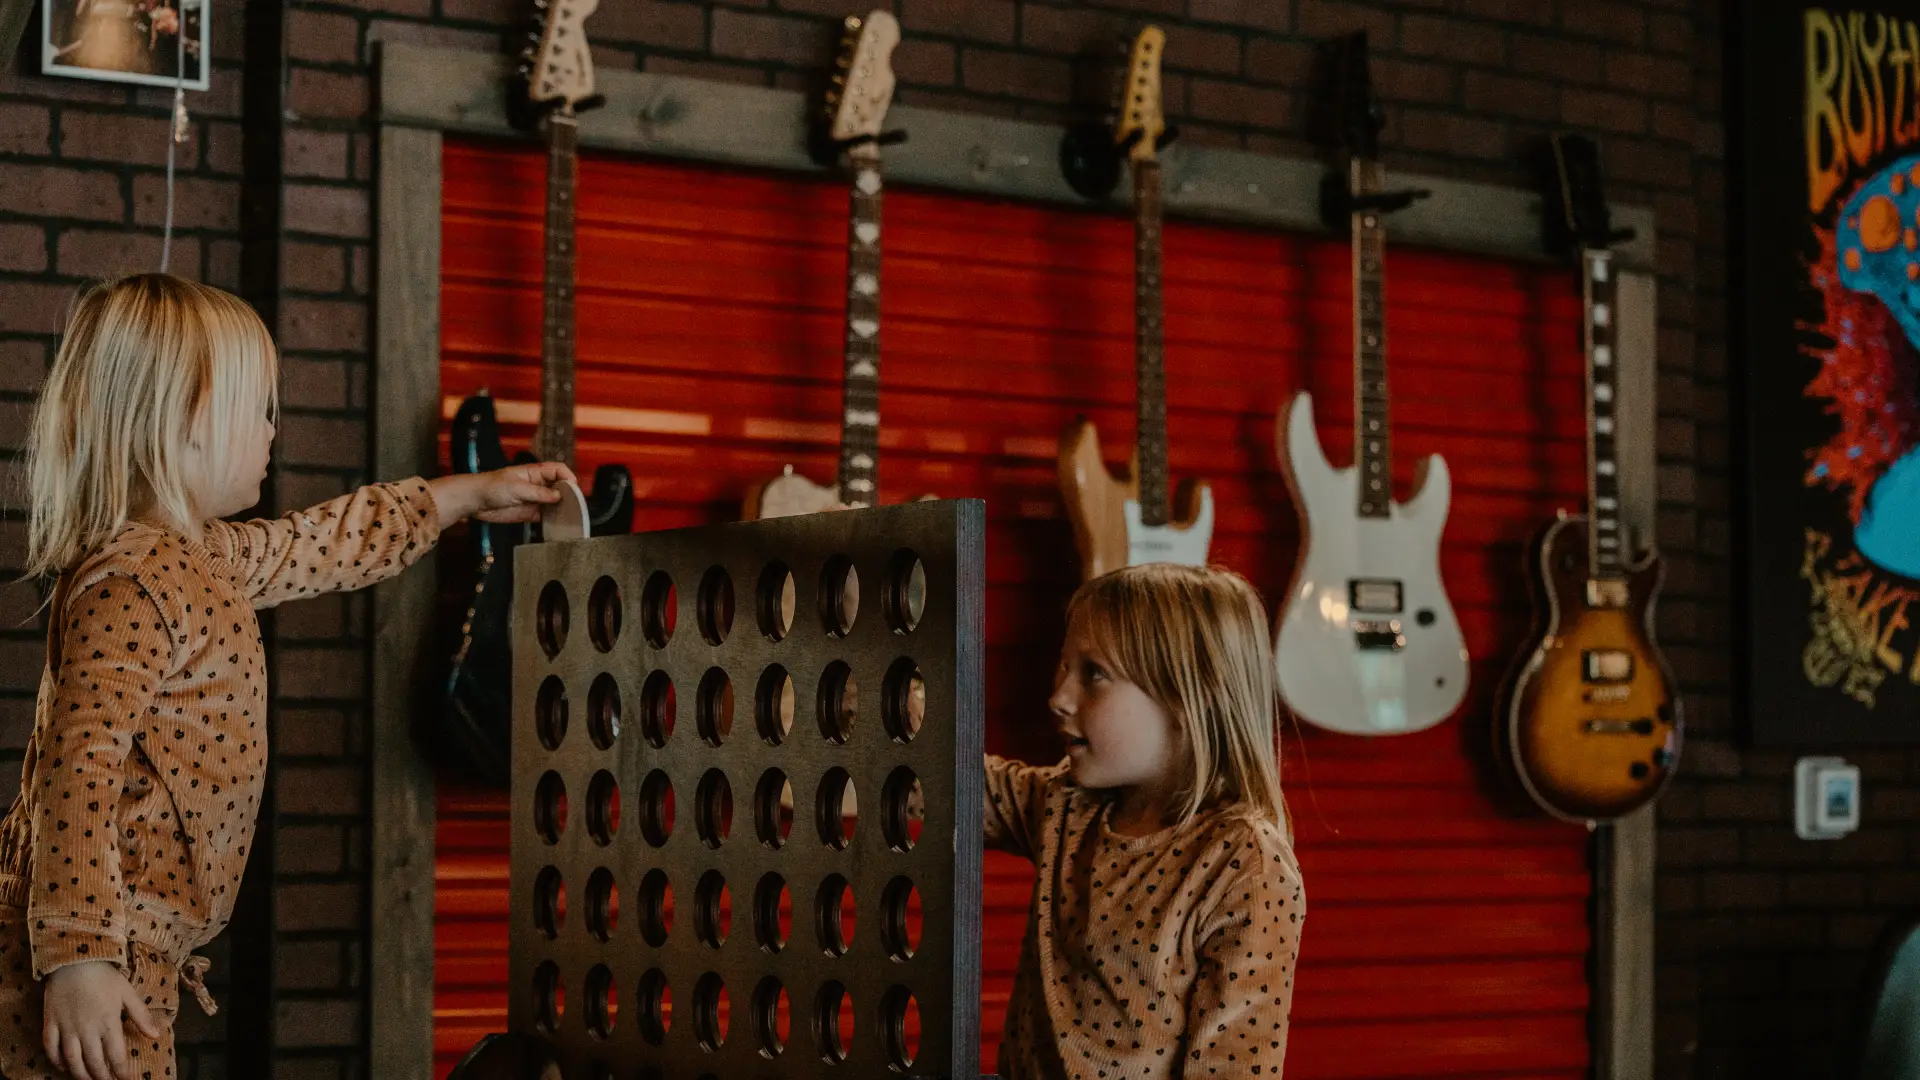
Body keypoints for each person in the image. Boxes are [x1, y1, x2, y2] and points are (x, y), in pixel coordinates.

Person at [0, 273, 575, 1080]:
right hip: (93, 958)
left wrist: (471, 496)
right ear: (186, 421)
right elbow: (75, 767)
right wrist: (78, 958)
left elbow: (322, 543)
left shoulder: (205, 558)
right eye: (259, 407)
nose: (274, 429)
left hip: (140, 956)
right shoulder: (131, 579)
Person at [986, 563, 1304, 1079]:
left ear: (1187, 697)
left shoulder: (1245, 864)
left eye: (1094, 674)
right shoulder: (1065, 806)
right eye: (1063, 667)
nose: (1059, 697)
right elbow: (940, 782)